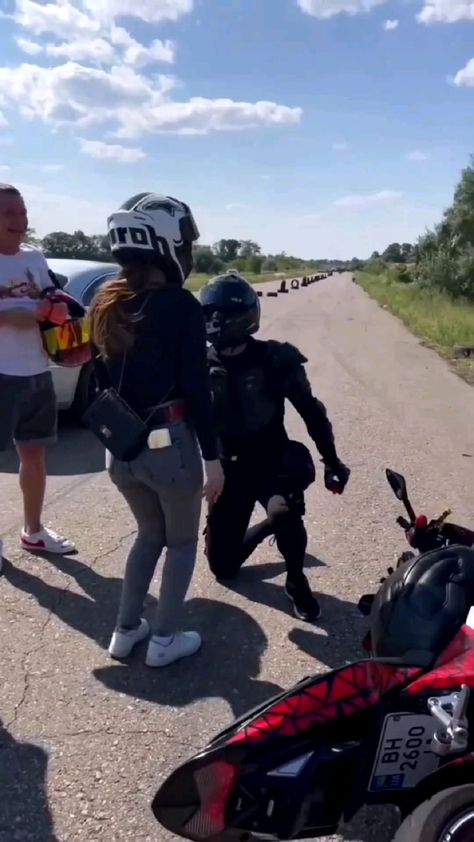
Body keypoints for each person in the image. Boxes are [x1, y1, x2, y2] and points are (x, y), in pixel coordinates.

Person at [89, 192, 224, 668]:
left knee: (147, 537)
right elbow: (196, 389)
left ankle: (125, 632)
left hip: (121, 452)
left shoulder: (107, 299)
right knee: (181, 543)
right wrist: (213, 458)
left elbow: (99, 380)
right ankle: (165, 638)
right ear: (168, 243)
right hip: (171, 448)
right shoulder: (180, 306)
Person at [201, 272, 350, 622]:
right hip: (227, 470)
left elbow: (312, 412)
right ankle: (269, 525)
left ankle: (296, 579)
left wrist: (331, 460)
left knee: (283, 512)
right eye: (208, 313)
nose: (215, 321)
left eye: (222, 313)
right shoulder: (196, 365)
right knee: (224, 569)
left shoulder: (275, 359)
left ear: (244, 316)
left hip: (271, 461)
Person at [0, 183, 75, 561]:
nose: (19, 220)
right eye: (9, 213)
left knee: (34, 455)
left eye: (22, 211)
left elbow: (51, 297)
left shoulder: (34, 256)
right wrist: (22, 314)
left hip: (36, 370)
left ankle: (33, 531)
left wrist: (57, 309)